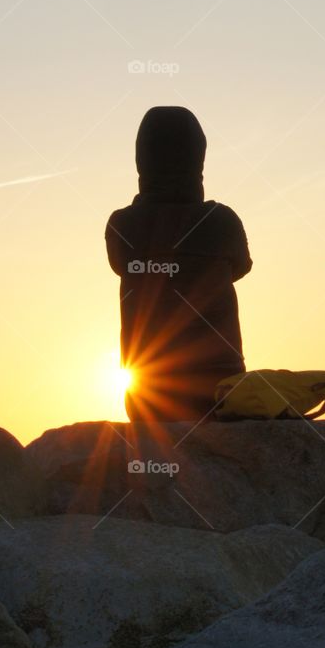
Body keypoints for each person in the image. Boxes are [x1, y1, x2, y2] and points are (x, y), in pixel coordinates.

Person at [105, 106, 252, 427]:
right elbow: (240, 268)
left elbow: (120, 264)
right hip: (221, 394)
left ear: (141, 160)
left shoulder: (122, 225)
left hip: (148, 399)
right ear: (198, 159)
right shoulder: (221, 221)